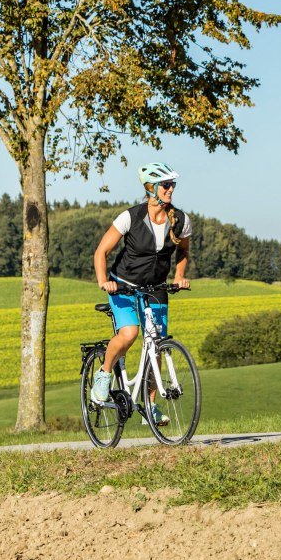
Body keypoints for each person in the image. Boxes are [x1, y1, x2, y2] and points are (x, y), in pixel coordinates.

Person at [90, 162, 192, 425]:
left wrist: (179, 276)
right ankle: (104, 374)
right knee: (130, 333)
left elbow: (183, 251)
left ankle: (149, 404)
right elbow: (101, 252)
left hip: (156, 288)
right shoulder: (131, 217)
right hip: (123, 285)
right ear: (151, 189)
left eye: (172, 185)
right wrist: (104, 282)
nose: (171, 190)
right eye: (166, 185)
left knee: (156, 346)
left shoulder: (180, 219)